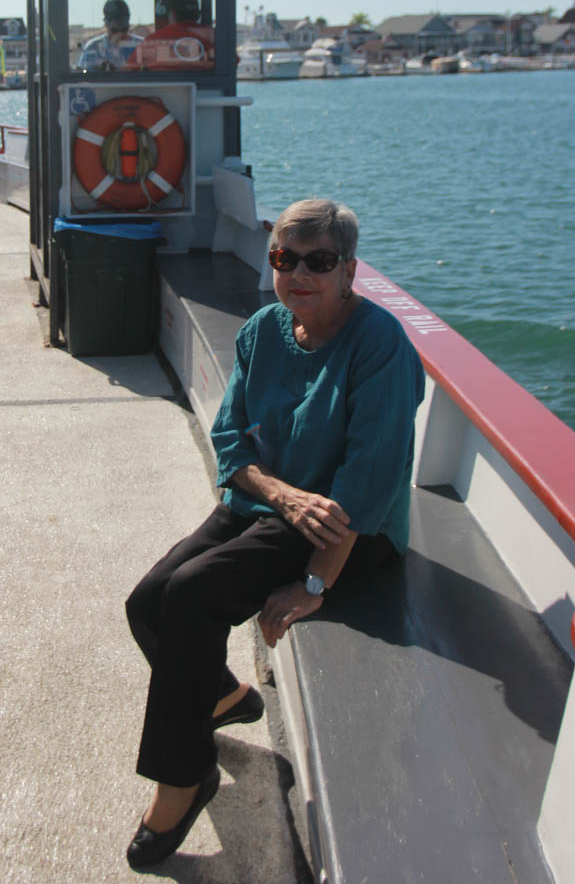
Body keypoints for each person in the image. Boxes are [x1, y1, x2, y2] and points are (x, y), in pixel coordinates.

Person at [124, 198, 425, 869]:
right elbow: (231, 439)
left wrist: (316, 581)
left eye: (319, 262)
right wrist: (280, 493)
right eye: (286, 259)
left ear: (349, 270)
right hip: (274, 502)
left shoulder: (380, 346)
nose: (299, 275)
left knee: (193, 593)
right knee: (147, 600)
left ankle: (185, 777)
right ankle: (225, 697)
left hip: (348, 527)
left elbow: (368, 481)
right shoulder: (264, 330)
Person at [125, 0, 215, 69]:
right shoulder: (215, 39)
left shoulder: (152, 41)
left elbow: (129, 72)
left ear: (171, 13)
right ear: (198, 14)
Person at [77, 0, 143, 71]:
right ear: (106, 24)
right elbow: (83, 76)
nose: (120, 34)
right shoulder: (93, 48)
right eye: (115, 30)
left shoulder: (142, 46)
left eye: (124, 29)